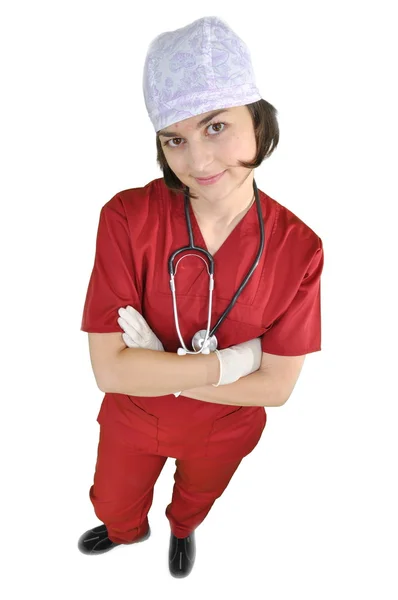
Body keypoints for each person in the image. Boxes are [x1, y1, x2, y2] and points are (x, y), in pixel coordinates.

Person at [77, 16, 324, 578]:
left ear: (258, 122)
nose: (198, 162)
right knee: (112, 500)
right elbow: (109, 373)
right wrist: (236, 362)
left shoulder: (301, 248)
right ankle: (124, 530)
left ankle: (182, 528)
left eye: (216, 127)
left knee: (198, 496)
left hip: (226, 430)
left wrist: (160, 368)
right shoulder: (126, 217)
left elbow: (279, 389)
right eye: (175, 139)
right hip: (132, 417)